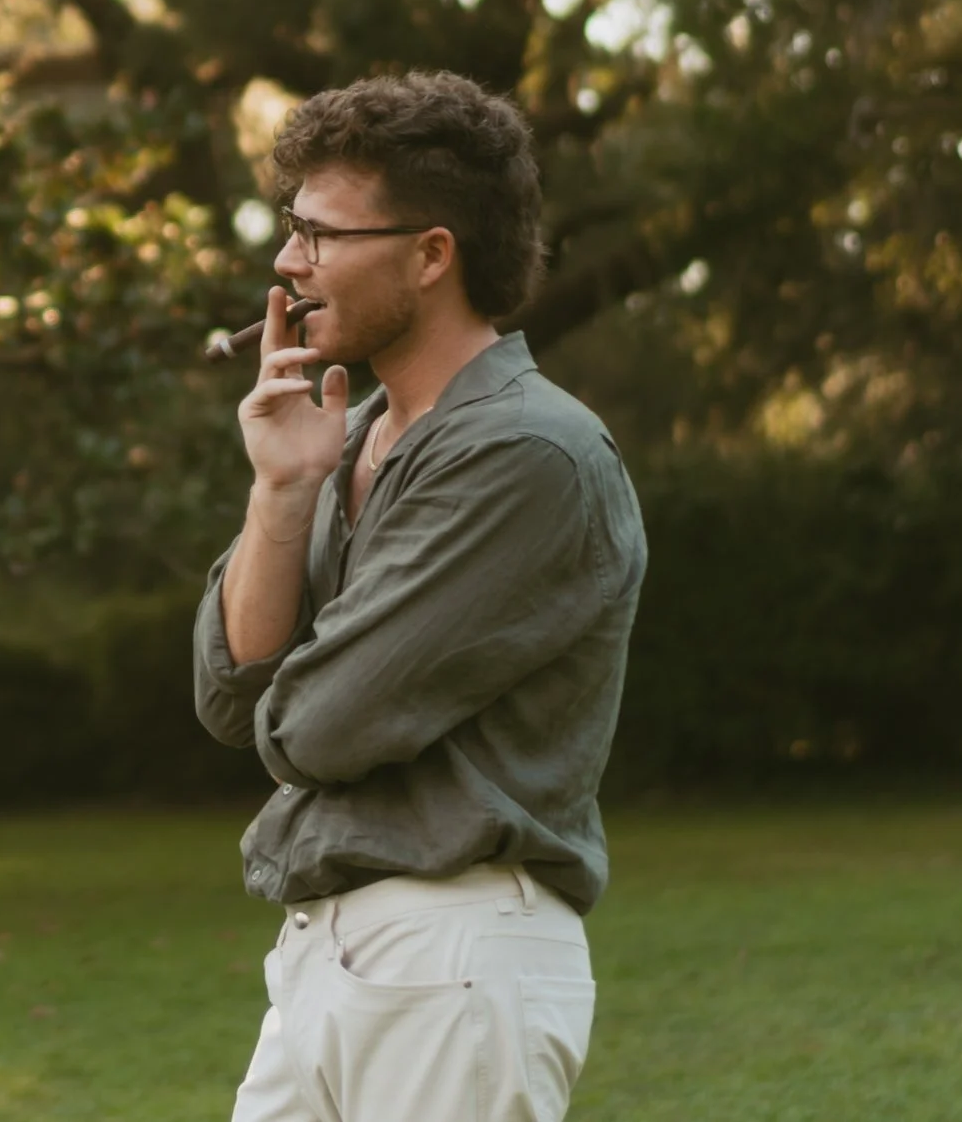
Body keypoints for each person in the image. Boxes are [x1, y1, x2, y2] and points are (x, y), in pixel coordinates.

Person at [193, 73, 645, 1122]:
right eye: (291, 226)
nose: (287, 260)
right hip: (326, 954)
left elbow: (319, 724)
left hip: (453, 952)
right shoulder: (344, 436)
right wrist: (281, 490)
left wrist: (288, 689)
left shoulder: (527, 452)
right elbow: (229, 692)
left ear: (432, 253)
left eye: (319, 232)